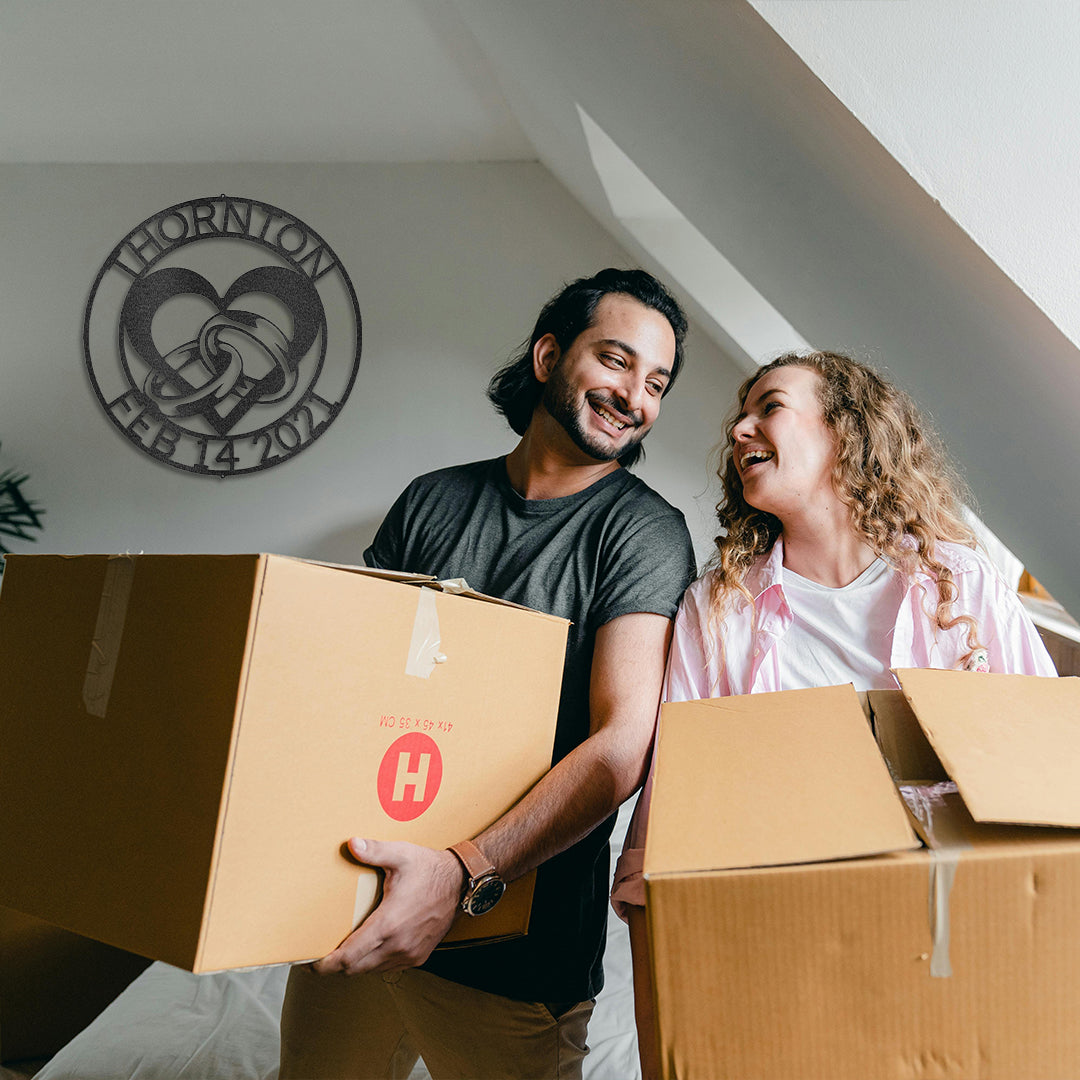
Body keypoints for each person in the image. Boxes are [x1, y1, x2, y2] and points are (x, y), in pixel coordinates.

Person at [279, 268, 698, 1080]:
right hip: (359, 909)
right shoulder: (430, 502)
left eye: (656, 382)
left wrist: (463, 870)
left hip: (516, 956)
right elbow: (355, 694)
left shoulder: (643, 533)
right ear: (549, 356)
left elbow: (622, 747)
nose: (634, 396)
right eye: (615, 361)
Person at [611, 350, 1057, 1080]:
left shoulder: (963, 586)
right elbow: (667, 833)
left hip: (956, 950)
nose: (740, 429)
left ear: (845, 431)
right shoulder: (720, 611)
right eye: (741, 414)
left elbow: (1050, 777)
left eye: (770, 406)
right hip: (787, 954)